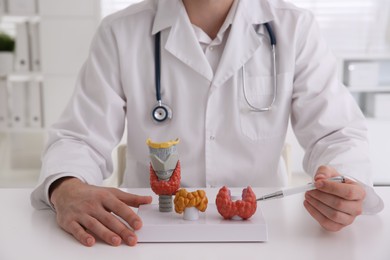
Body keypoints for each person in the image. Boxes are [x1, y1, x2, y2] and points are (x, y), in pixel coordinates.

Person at [31, 0, 383, 247]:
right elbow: (79, 139)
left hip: (263, 238)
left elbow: (336, 133)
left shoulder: (294, 29)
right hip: (149, 235)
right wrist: (66, 187)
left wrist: (345, 183)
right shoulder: (120, 33)